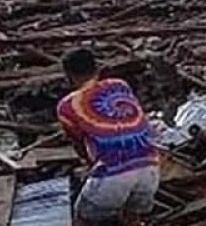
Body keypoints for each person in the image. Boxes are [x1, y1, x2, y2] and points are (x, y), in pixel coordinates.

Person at [57, 48, 158, 226]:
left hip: (113, 174)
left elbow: (79, 144)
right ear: (96, 68)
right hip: (150, 166)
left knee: (82, 220)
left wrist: (90, 166)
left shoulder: (67, 106)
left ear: (68, 75)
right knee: (133, 220)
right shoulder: (120, 85)